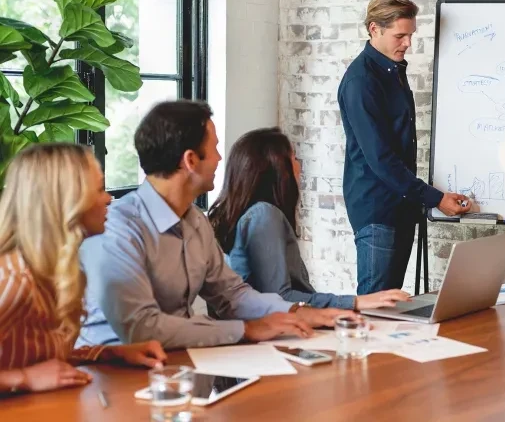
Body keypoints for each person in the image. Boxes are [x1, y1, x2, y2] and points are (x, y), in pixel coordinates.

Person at [79, 101, 352, 351]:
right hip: (111, 373)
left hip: (177, 361)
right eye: (215, 149)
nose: (220, 159)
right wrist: (245, 329)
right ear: (190, 160)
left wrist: (297, 311)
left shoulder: (196, 220)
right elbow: (141, 329)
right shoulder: (120, 227)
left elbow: (233, 295)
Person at [0, 144, 165, 394]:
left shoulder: (52, 271)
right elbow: (31, 371)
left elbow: (43, 356)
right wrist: (23, 378)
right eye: (99, 189)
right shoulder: (14, 279)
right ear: (67, 201)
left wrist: (111, 352)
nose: (109, 198)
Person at [337, 0, 471, 295]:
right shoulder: (361, 82)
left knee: (393, 304)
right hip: (377, 211)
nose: (408, 43)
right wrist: (434, 198)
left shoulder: (391, 70)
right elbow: (381, 159)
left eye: (410, 35)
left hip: (400, 207)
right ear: (374, 29)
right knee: (376, 306)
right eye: (400, 36)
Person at [209, 128, 411, 310]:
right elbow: (280, 298)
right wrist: (357, 302)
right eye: (295, 159)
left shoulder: (254, 215)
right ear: (277, 168)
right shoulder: (264, 215)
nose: (300, 167)